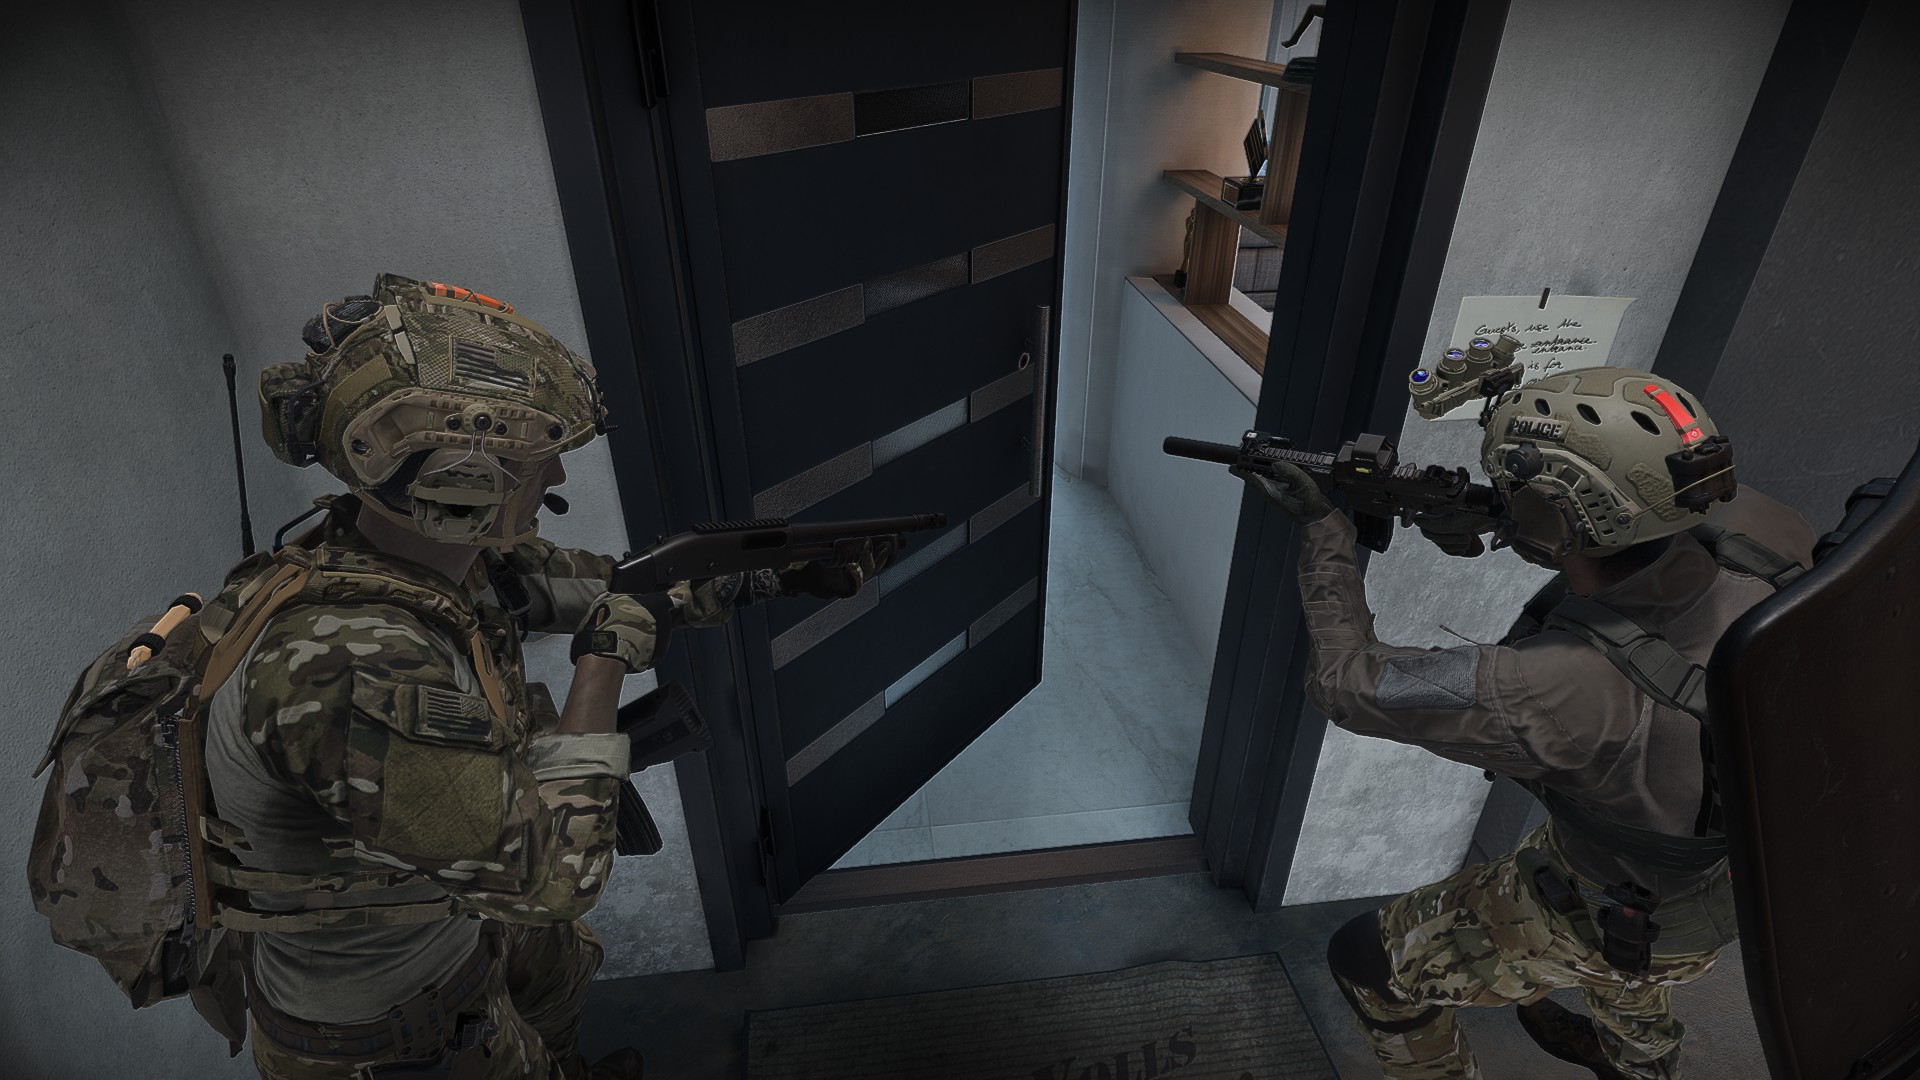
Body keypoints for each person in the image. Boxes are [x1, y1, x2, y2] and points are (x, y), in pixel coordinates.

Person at [208, 274, 887, 1079]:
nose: (558, 481)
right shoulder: (351, 667)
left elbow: (615, 588)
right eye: (537, 462)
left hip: (462, 919)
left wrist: (781, 571)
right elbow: (556, 876)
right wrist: (602, 663)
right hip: (391, 1033)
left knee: (559, 980)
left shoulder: (417, 558)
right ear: (456, 482)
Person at [1235, 366, 1814, 1080]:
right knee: (1633, 964)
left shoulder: (1550, 688)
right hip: (1739, 863)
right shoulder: (1766, 524)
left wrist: (1324, 530)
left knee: (1366, 960)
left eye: (1513, 495)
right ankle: (1641, 1063)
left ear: (1555, 517)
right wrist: (1495, 515)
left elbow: (1345, 684)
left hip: (1619, 907)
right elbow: (1620, 530)